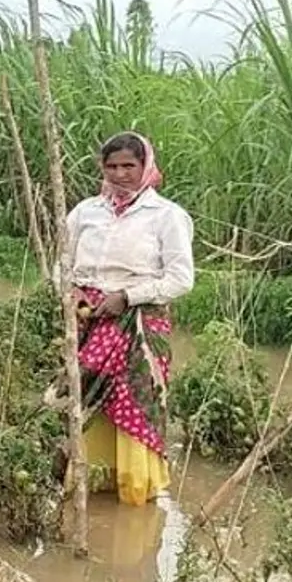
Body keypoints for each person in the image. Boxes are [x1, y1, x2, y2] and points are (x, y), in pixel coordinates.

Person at [54, 131, 195, 506]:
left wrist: (128, 297)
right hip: (89, 321)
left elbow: (180, 279)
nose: (120, 174)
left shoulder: (167, 216)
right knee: (83, 402)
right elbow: (61, 265)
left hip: (140, 325)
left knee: (134, 404)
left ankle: (135, 492)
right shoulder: (85, 212)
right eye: (111, 166)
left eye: (128, 166)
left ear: (145, 166)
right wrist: (73, 291)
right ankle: (90, 481)